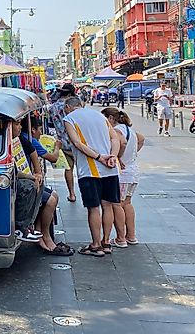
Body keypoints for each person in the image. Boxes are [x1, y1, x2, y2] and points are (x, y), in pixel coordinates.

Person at [62, 96, 121, 257]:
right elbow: (115, 138)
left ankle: (96, 245)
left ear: (68, 107)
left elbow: (77, 143)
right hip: (110, 169)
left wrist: (99, 157)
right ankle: (106, 242)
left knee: (93, 208)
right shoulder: (99, 116)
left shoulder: (69, 119)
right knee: (107, 205)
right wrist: (112, 156)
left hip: (90, 169)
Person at [21, 116, 73, 256]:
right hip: (24, 181)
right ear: (33, 129)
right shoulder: (28, 140)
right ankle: (45, 235)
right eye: (39, 130)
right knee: (50, 199)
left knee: (53, 196)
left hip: (30, 178)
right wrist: (57, 147)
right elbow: (53, 158)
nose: (40, 133)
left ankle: (39, 233)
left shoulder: (27, 139)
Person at [103, 107, 144, 246]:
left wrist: (118, 156)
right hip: (133, 171)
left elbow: (123, 142)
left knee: (117, 205)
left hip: (123, 174)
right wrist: (133, 155)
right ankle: (131, 236)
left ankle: (121, 238)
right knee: (127, 204)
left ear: (110, 118)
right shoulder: (128, 129)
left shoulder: (116, 130)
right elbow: (141, 139)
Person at [10, 117, 43, 243]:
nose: (20, 127)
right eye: (17, 124)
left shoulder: (19, 139)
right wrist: (31, 176)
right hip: (8, 178)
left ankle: (27, 226)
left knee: (38, 184)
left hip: (19, 175)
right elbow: (12, 171)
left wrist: (38, 173)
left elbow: (32, 150)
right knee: (29, 186)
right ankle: (20, 227)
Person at [49, 83, 78, 203]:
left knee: (68, 169)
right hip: (77, 142)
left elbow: (50, 126)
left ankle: (72, 194)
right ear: (71, 94)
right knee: (82, 169)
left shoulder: (52, 107)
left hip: (62, 143)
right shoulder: (74, 105)